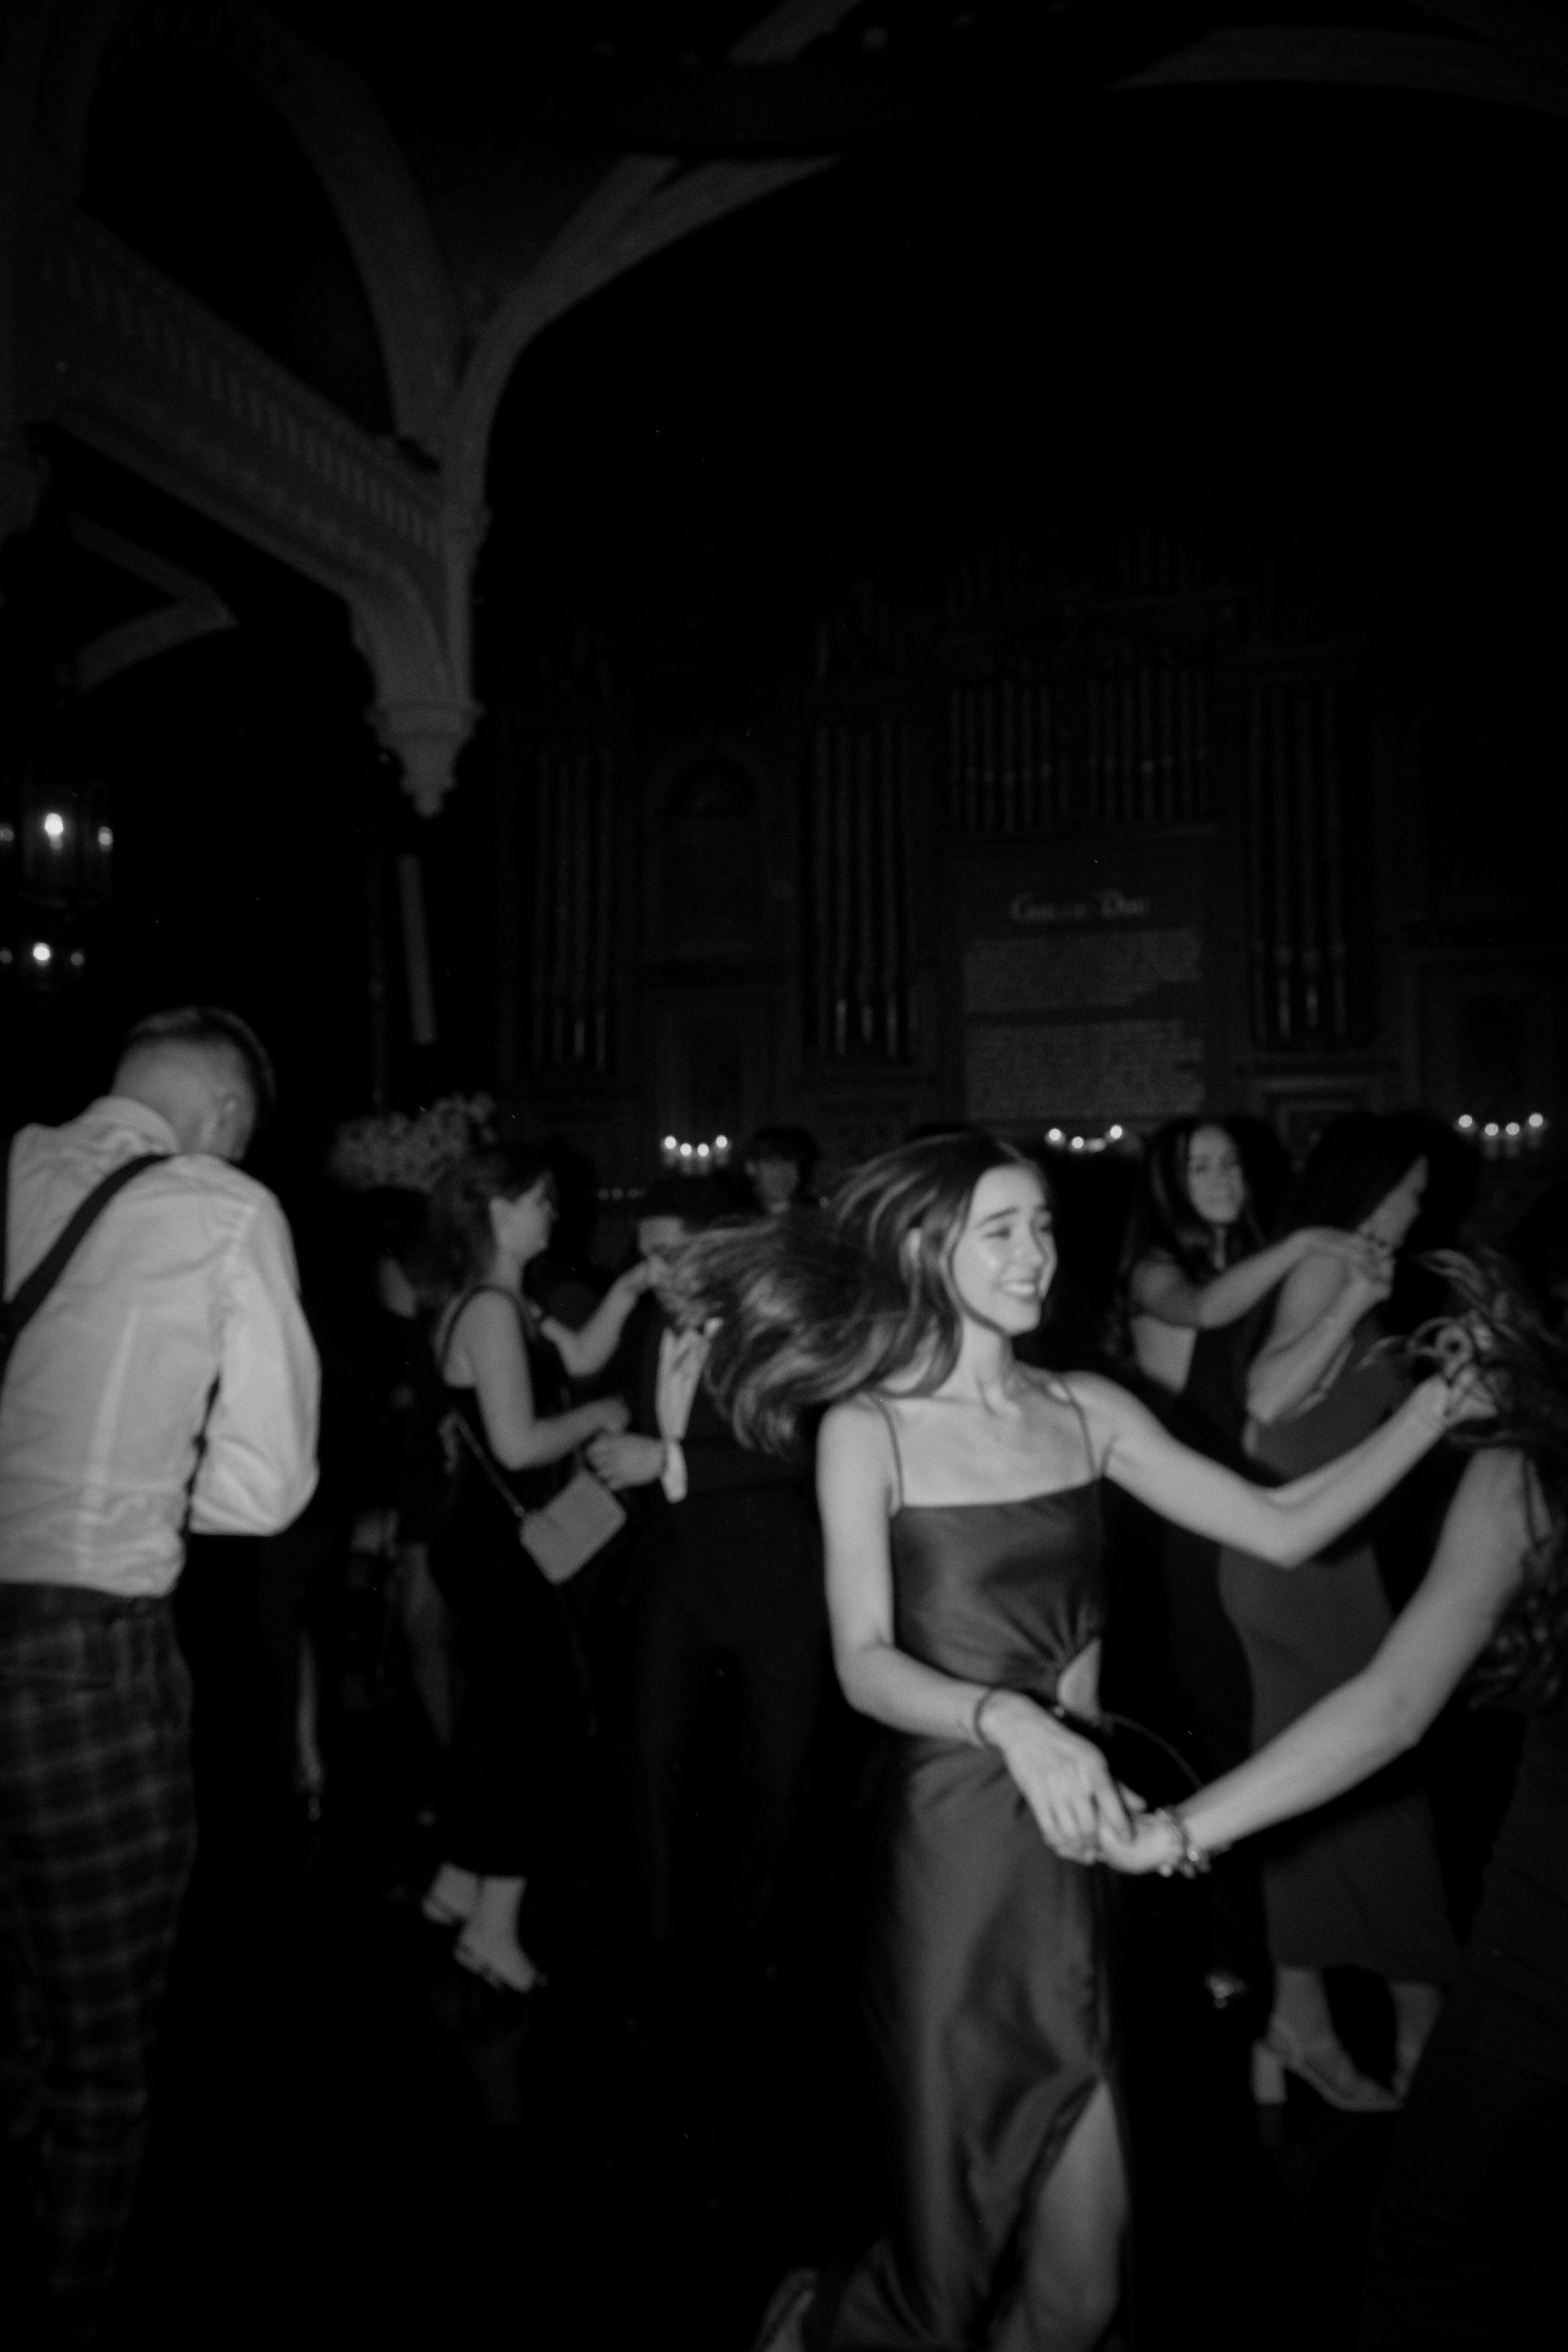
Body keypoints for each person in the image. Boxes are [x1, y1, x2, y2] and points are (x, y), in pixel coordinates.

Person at [678, 1131, 1479, 2352]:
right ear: (921, 1250)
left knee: (1084, 2285)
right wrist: (1005, 1716)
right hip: (951, 1860)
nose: (1034, 1254)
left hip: (1082, 1842)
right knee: (947, 2265)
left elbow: (1283, 1524)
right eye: (999, 1231)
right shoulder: (868, 1428)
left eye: (1043, 1226)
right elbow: (863, 1660)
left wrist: (1435, 1407)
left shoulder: (1084, 1408)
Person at [1101, 1243, 1564, 2349]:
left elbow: (1390, 1709)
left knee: (1434, 2254)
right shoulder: (1521, 1471)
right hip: (1540, 1923)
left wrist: (1175, 1832)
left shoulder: (1528, 1471)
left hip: (1545, 1933)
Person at [0, 1005, 320, 2348]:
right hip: (84, 1655)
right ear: (228, 1116)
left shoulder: (15, 1163)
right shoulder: (221, 1206)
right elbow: (265, 1488)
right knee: (98, 2061)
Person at [1218, 1113, 1457, 2111]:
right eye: (1410, 1189)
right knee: (1378, 1786)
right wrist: (1354, 1298)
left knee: (1318, 1789)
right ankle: (1420, 2036)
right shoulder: (1331, 1266)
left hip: (1325, 1554)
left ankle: (1300, 2018)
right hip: (1298, 1562)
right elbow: (1269, 1399)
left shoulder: (1352, 1265)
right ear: (1371, 1184)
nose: (1417, 1207)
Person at [1119, 1117, 1382, 2003]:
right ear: (1167, 1183)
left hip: (1258, 1505)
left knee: (1276, 1717)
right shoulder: (1155, 1268)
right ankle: (1233, 1957)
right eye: (1200, 1166)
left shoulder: (1254, 1261)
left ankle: (1287, 1958)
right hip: (1191, 1521)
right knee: (1223, 1723)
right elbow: (1202, 1310)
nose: (1222, 1177)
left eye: (1231, 1161)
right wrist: (1305, 1243)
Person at [586, 1177, 826, 1967]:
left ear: (720, 1250)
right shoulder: (651, 1324)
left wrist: (668, 1459)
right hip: (672, 1571)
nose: (652, 1270)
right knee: (650, 1754)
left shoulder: (776, 1329)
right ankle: (654, 1938)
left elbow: (799, 1448)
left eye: (668, 1253)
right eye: (644, 1253)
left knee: (778, 1769)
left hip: (774, 1577)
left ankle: (749, 1929)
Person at [418, 1147, 640, 1995]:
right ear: (496, 1210)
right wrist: (601, 1416)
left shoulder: (501, 1301)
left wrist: (632, 1286)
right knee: (543, 1723)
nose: (554, 1212)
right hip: (494, 1543)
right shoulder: (489, 1310)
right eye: (540, 1200)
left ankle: (456, 1884)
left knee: (497, 1719)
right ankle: (491, 1929)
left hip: (482, 1536)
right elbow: (519, 1444)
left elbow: (579, 1354)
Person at [741, 1126, 819, 1218]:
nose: (784, 1174)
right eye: (774, 1165)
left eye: (791, 1165)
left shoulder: (813, 1216)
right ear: (751, 1167)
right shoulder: (737, 1215)